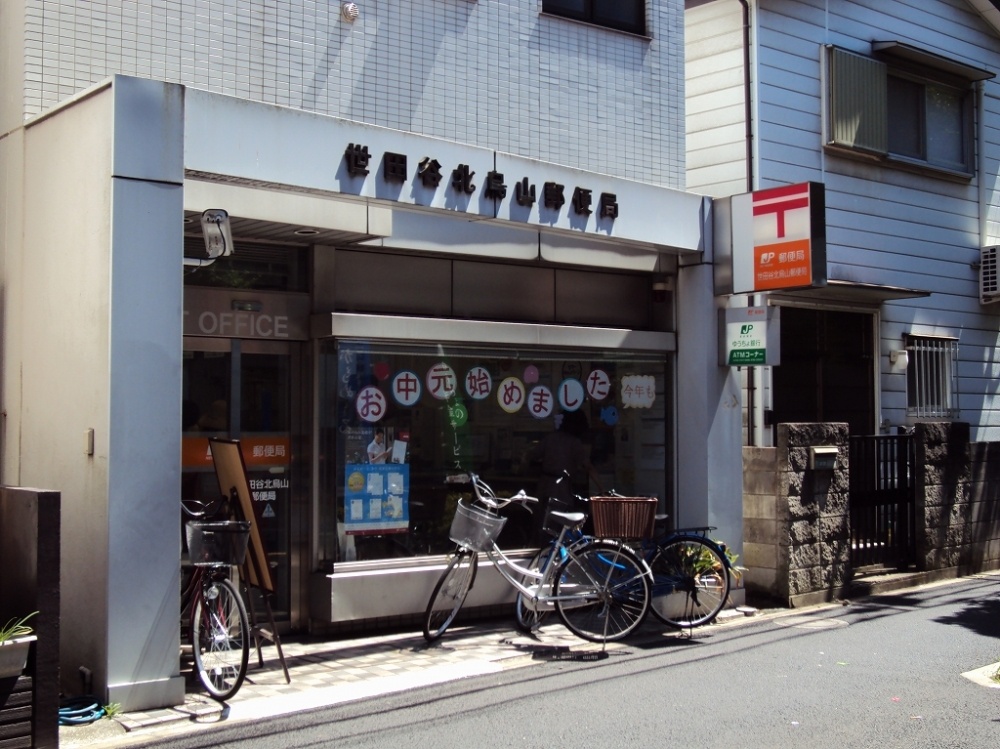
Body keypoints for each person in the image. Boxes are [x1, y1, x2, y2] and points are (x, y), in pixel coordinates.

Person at [528, 411, 604, 539]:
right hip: (561, 488)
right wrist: (602, 489)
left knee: (541, 523)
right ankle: (555, 553)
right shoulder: (575, 443)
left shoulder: (550, 438)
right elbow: (589, 467)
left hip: (544, 485)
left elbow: (533, 456)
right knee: (558, 526)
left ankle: (540, 550)